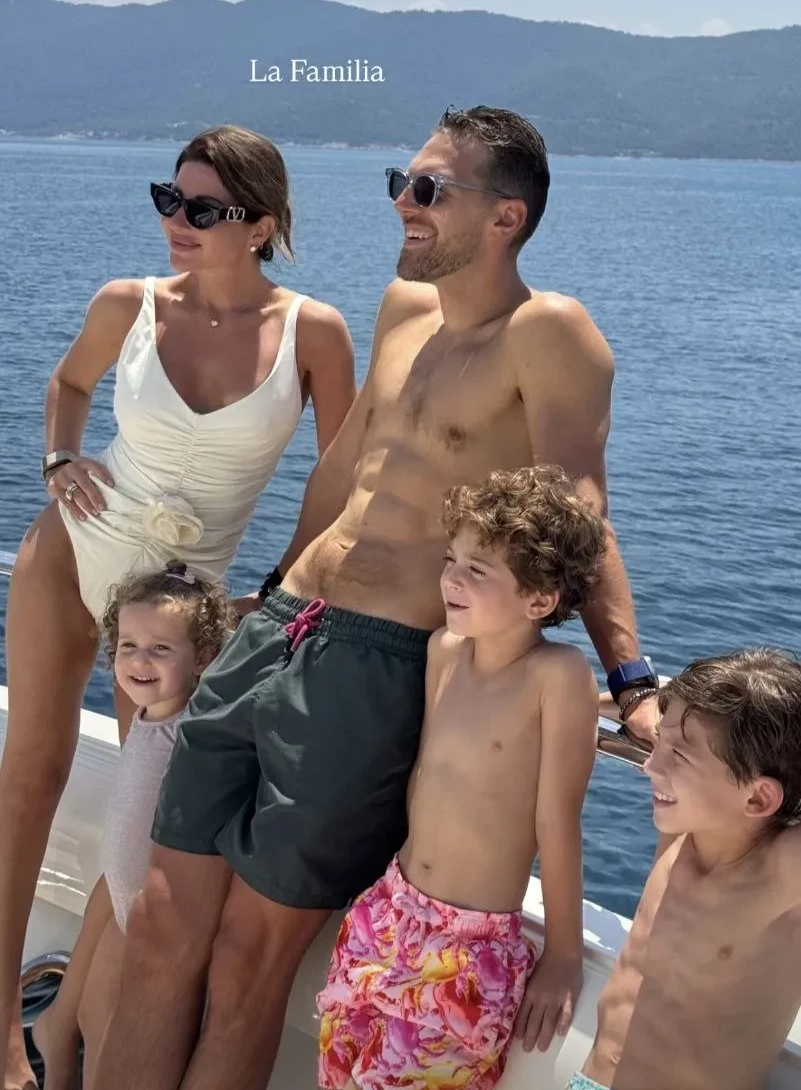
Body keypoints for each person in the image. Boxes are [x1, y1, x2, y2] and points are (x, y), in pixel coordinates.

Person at [95, 104, 646, 1090]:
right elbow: (342, 471)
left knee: (247, 963)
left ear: (506, 217)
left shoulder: (551, 334)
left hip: (378, 659)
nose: (402, 202)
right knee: (161, 920)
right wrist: (266, 595)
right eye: (401, 181)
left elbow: (579, 518)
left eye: (429, 188)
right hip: (280, 626)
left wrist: (631, 678)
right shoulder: (403, 307)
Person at [0, 124, 356, 1090]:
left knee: (145, 836)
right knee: (30, 783)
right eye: (169, 199)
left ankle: (68, 1027)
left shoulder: (315, 332)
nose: (176, 221)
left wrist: (279, 589)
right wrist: (59, 460)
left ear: (262, 224)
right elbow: (68, 382)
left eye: (203, 208)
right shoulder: (129, 302)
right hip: (73, 551)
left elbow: (342, 474)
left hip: (177, 615)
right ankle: (1, 1037)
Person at [317, 466, 605, 1090]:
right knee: (337, 1074)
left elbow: (557, 821)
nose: (451, 578)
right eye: (452, 559)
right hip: (388, 911)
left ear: (539, 601)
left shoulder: (557, 676)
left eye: (477, 569)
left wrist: (563, 954)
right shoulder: (443, 650)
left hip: (469, 947)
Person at [34, 563, 234, 1090]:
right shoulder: (147, 718)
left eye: (161, 648)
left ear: (203, 657)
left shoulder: (191, 734)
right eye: (128, 645)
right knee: (90, 1017)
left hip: (150, 926)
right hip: (124, 914)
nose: (140, 660)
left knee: (116, 1046)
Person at [573, 648, 801, 1090]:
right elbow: (655, 712)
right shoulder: (682, 831)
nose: (649, 765)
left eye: (678, 756)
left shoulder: (781, 872)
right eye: (660, 743)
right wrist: (614, 702)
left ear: (758, 798)